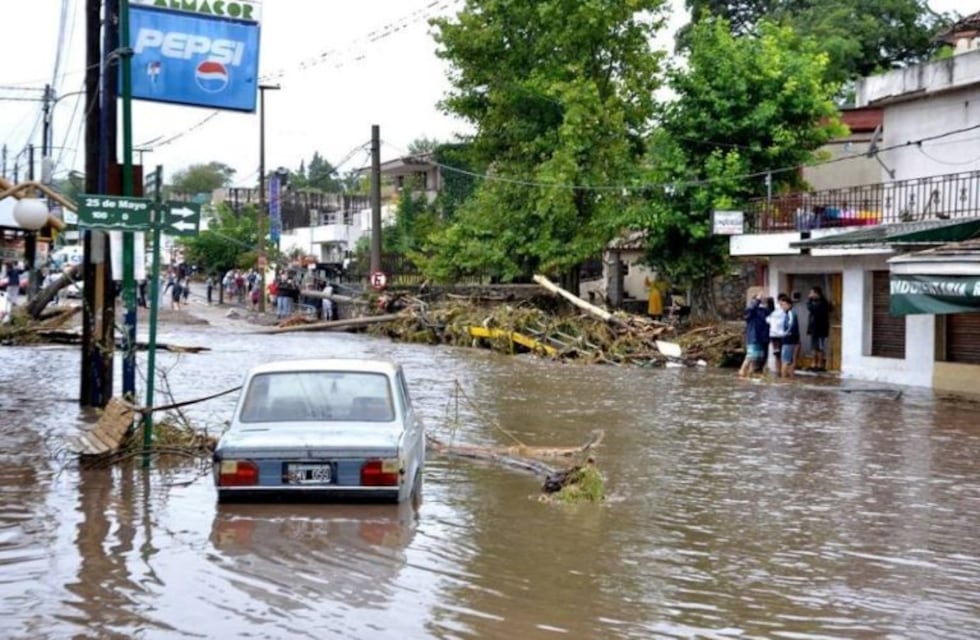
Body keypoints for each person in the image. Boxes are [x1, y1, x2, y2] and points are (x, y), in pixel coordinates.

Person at [739, 294, 771, 377]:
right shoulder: (750, 311)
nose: (762, 300)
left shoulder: (763, 311)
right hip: (753, 337)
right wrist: (757, 300)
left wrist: (770, 300)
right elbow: (750, 309)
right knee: (749, 357)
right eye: (760, 299)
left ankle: (750, 374)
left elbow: (771, 311)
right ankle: (742, 373)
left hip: (761, 338)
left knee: (756, 359)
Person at [806, 285, 831, 372]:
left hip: (820, 329)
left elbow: (812, 309)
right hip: (814, 329)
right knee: (813, 347)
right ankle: (813, 364)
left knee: (820, 347)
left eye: (811, 293)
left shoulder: (822, 303)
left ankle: (820, 365)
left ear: (817, 293)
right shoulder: (814, 302)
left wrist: (809, 301)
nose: (810, 295)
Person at [778, 293, 800, 378]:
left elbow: (791, 326)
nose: (782, 306)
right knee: (787, 361)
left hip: (790, 340)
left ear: (789, 305)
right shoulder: (785, 314)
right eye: (781, 305)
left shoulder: (790, 314)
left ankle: (787, 379)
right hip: (788, 340)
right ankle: (785, 379)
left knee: (787, 361)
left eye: (783, 304)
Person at [768, 293, 787, 373]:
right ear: (778, 300)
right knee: (777, 353)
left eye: (784, 301)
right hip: (775, 335)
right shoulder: (775, 309)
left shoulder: (786, 310)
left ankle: (781, 370)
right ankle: (778, 370)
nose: (782, 303)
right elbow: (768, 320)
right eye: (781, 301)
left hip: (781, 335)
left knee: (782, 353)